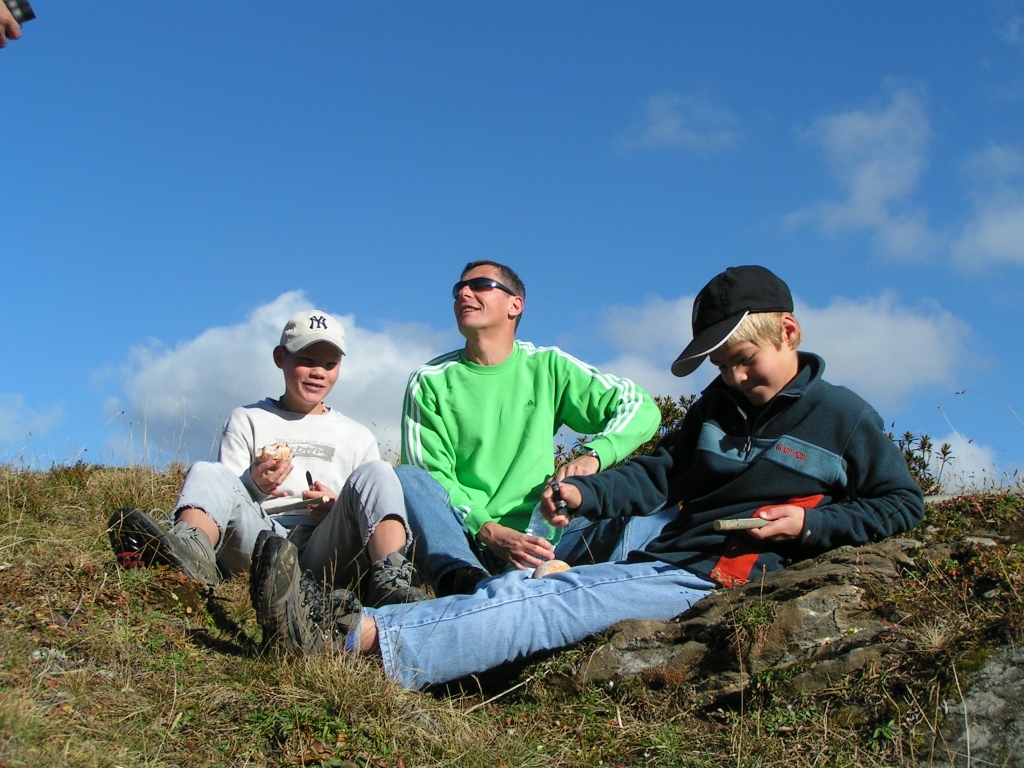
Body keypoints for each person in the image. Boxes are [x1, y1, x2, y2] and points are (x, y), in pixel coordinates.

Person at [250, 264, 925, 688]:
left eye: (744, 359)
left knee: (554, 599)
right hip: (676, 562)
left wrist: (811, 523)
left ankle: (353, 636)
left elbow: (902, 504)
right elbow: (662, 473)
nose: (734, 377)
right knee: (538, 589)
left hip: (726, 574)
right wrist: (585, 489)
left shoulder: (842, 418)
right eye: (721, 367)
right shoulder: (717, 410)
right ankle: (390, 630)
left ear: (790, 331)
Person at [108, 309, 425, 614]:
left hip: (326, 546)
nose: (318, 372)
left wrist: (334, 505)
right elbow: (227, 494)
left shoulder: (356, 435)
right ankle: (189, 553)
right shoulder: (248, 419)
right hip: (260, 540)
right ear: (280, 358)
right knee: (207, 471)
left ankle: (392, 577)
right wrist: (254, 485)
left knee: (380, 472)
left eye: (330, 364)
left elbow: (369, 503)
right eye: (306, 360)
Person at [397, 259, 673, 596]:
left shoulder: (548, 366)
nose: (463, 293)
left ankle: (597, 593)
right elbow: (430, 475)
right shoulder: (430, 381)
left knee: (651, 510)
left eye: (480, 285)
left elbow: (638, 406)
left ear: (516, 305)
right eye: (458, 290)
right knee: (407, 478)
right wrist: (490, 531)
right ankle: (467, 588)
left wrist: (593, 457)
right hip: (468, 541)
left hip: (547, 540)